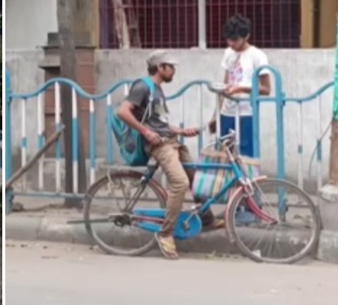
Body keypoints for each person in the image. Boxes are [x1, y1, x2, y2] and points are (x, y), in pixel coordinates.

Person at [116, 50, 218, 260]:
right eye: (171, 66)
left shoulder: (157, 89)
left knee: (195, 177)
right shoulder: (142, 86)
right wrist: (146, 132)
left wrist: (180, 131)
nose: (173, 70)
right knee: (180, 182)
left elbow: (158, 122)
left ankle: (206, 218)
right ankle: (166, 233)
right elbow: (123, 112)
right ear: (160, 67)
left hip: (170, 141)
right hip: (158, 145)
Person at [208, 14, 271, 159]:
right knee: (223, 154)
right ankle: (227, 182)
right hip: (226, 112)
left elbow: (266, 89)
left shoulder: (258, 56)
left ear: (246, 36)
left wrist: (241, 89)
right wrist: (215, 115)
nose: (231, 43)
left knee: (245, 156)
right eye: (228, 39)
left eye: (235, 39)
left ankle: (246, 182)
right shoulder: (228, 53)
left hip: (246, 113)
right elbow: (224, 87)